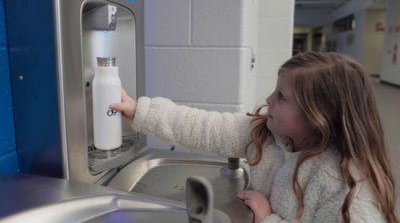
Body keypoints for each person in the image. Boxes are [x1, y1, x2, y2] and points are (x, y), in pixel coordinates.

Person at [111, 52, 398, 223]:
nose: (269, 99)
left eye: (282, 97)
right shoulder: (270, 135)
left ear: (318, 117)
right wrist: (138, 111)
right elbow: (206, 127)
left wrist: (268, 219)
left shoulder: (349, 190)